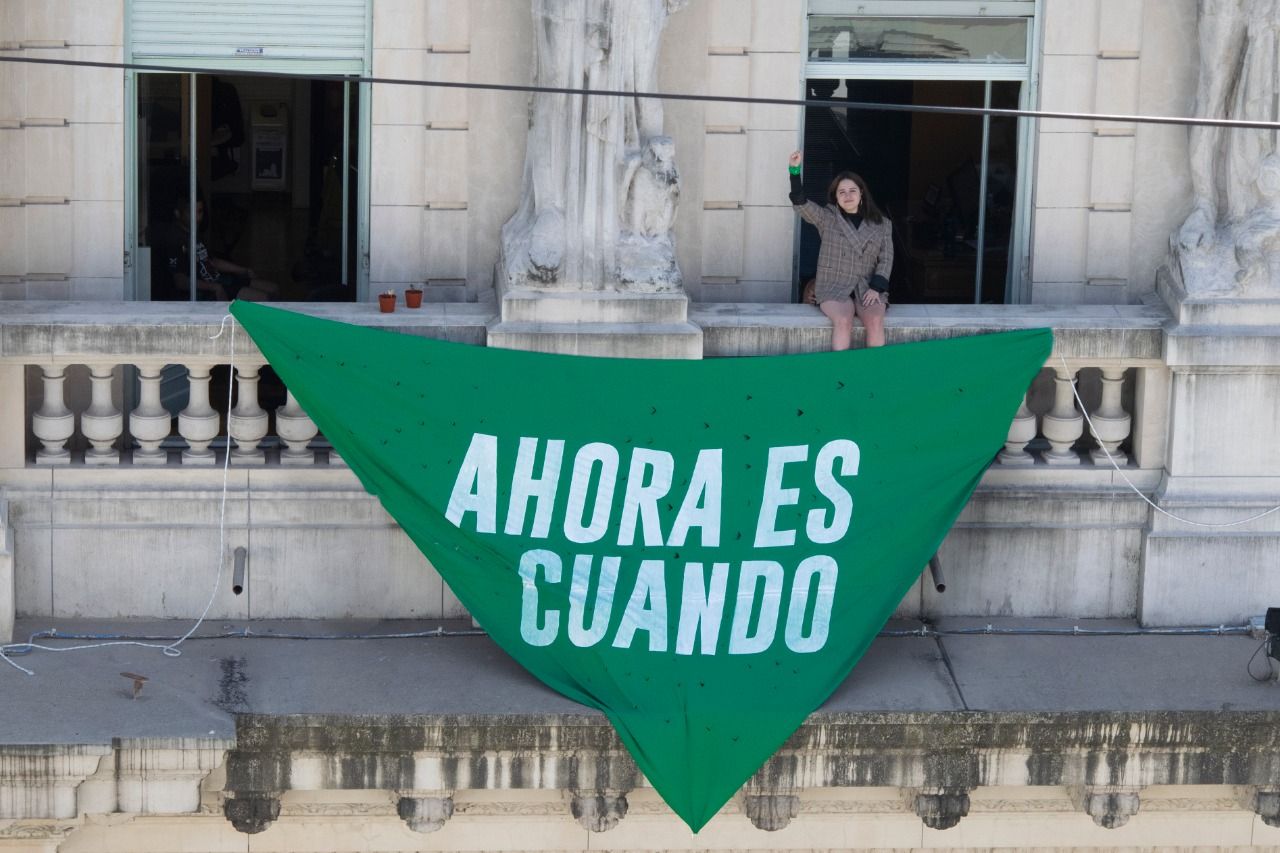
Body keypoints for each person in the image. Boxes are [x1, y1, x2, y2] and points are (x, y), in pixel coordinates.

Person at [788, 151, 893, 349]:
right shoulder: (827, 218)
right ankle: (840, 377)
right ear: (835, 197)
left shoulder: (882, 224)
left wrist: (877, 287)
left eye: (852, 190)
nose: (847, 196)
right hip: (833, 285)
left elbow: (886, 259)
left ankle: (875, 374)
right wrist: (794, 171)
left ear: (862, 193)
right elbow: (801, 203)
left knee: (876, 321)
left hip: (867, 286)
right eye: (841, 192)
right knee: (843, 321)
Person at [158, 194, 279, 302]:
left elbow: (212, 261)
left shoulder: (194, 233)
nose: (197, 217)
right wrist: (214, 287)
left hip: (221, 280)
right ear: (178, 213)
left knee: (274, 289)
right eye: (191, 212)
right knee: (264, 299)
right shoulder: (175, 239)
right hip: (206, 291)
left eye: (199, 211)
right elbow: (180, 282)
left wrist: (243, 270)